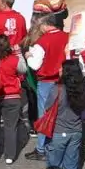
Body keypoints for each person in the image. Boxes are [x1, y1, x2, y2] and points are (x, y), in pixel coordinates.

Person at [24, 15, 68, 160]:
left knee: (44, 115)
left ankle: (41, 148)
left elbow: (35, 65)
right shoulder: (66, 36)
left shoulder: (42, 42)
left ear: (45, 25)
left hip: (46, 82)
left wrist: (28, 56)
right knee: (60, 113)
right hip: (63, 80)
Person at [44, 61, 85, 169]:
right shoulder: (82, 90)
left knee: (54, 166)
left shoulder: (57, 89)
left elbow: (47, 107)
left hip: (59, 132)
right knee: (71, 165)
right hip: (76, 132)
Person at [0, 35, 25, 166]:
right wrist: (19, 53)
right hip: (13, 96)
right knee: (11, 127)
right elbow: (23, 69)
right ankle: (9, 155)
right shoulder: (14, 59)